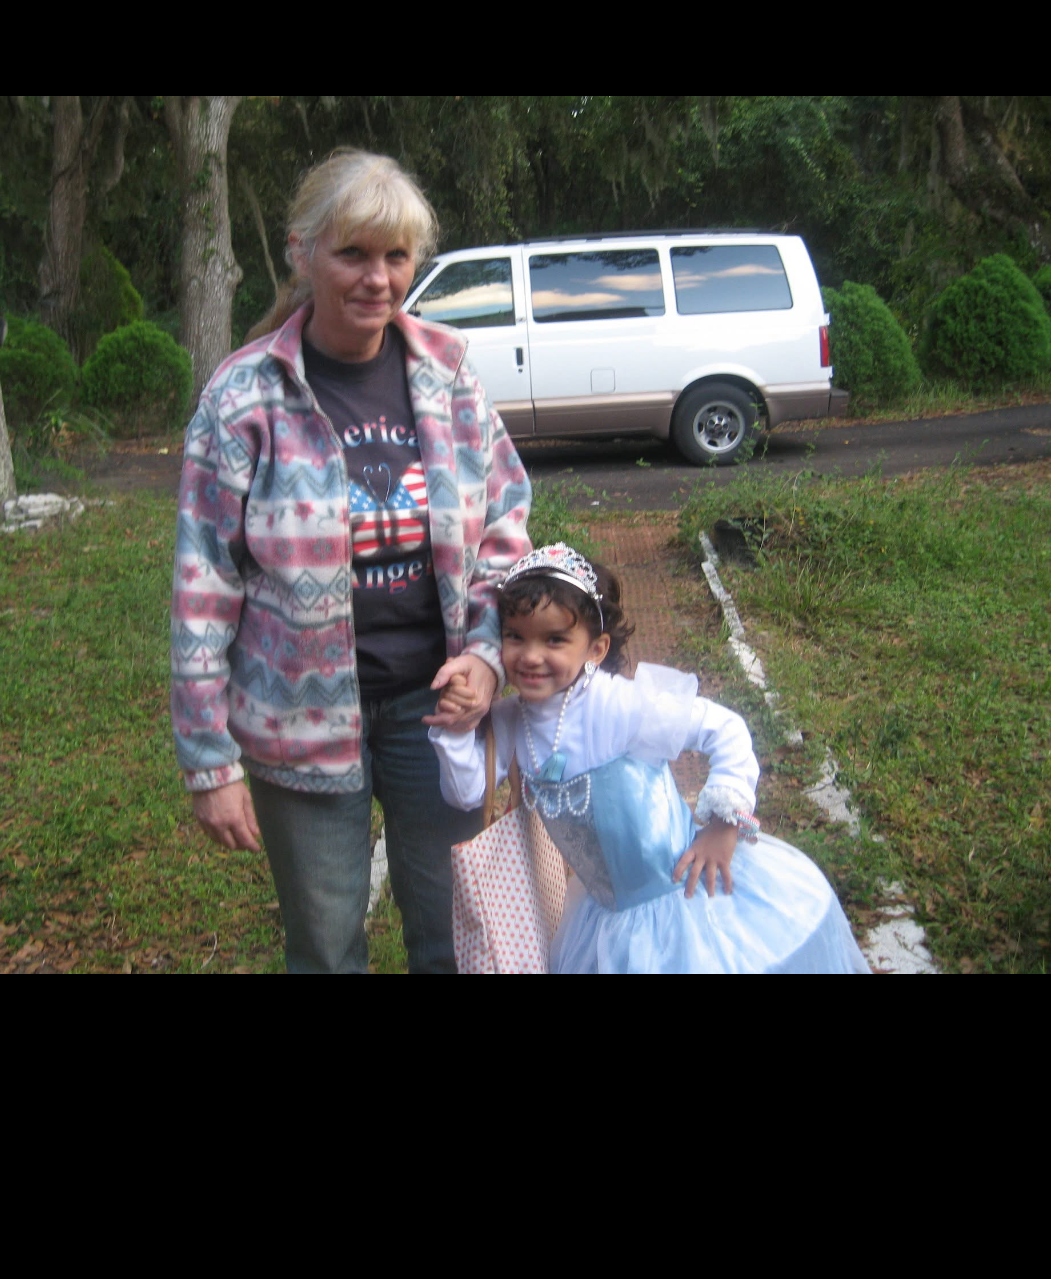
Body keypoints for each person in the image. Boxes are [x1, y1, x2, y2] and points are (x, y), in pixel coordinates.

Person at [170, 148, 532, 973]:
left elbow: (504, 518)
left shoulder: (448, 375)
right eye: (354, 254)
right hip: (298, 727)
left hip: (433, 710)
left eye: (396, 256)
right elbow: (203, 587)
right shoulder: (243, 398)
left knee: (454, 931)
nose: (378, 277)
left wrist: (484, 652)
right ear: (302, 253)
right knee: (328, 947)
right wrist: (208, 762)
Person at [429, 544, 871, 974]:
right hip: (604, 918)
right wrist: (456, 729)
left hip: (684, 897)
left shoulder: (620, 707)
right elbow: (467, 793)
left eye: (555, 640)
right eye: (515, 637)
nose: (530, 656)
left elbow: (726, 730)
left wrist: (722, 826)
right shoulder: (510, 719)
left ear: (595, 649)